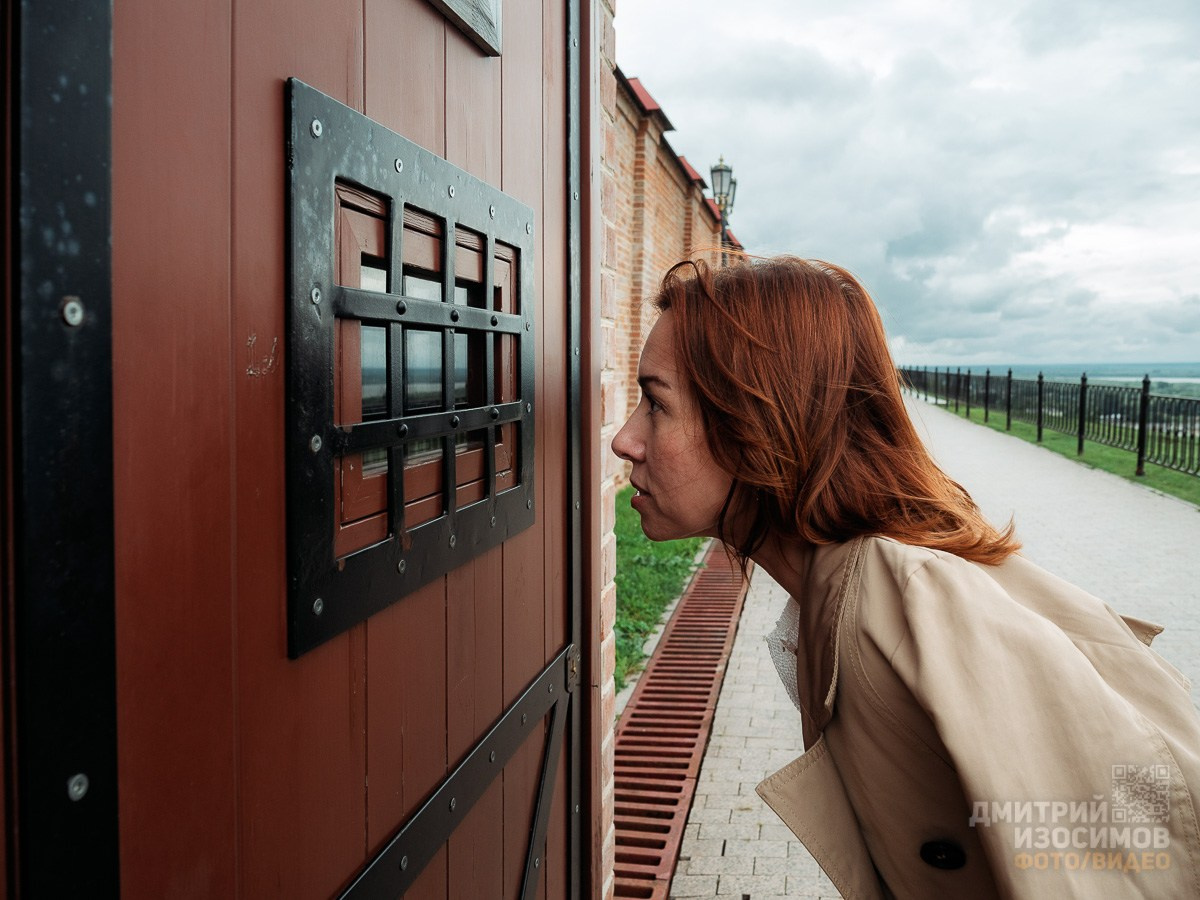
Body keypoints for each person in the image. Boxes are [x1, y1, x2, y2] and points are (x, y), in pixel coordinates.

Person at [611, 255, 1200, 899]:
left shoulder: (902, 602)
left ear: (757, 420)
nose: (625, 438)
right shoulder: (839, 589)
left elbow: (1108, 854)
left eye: (656, 404)